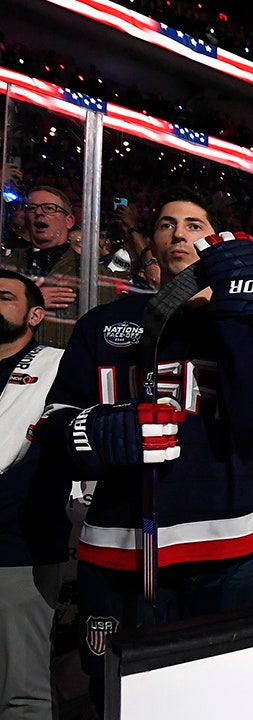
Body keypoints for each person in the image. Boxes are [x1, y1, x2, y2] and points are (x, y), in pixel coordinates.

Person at [33, 186, 253, 712]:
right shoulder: (102, 325)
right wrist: (98, 434)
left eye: (195, 224)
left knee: (226, 697)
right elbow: (54, 426)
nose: (179, 233)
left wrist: (242, 309)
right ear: (150, 243)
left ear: (216, 240)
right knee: (122, 697)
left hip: (229, 549)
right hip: (122, 549)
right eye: (167, 224)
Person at [0, 269, 67, 719]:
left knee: (22, 692)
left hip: (17, 543)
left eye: (4, 297)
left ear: (35, 314)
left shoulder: (56, 365)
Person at [2, 186, 80, 348]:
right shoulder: (6, 263)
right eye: (31, 208)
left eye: (50, 208)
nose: (39, 213)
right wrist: (32, 300)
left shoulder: (87, 269)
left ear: (69, 221)